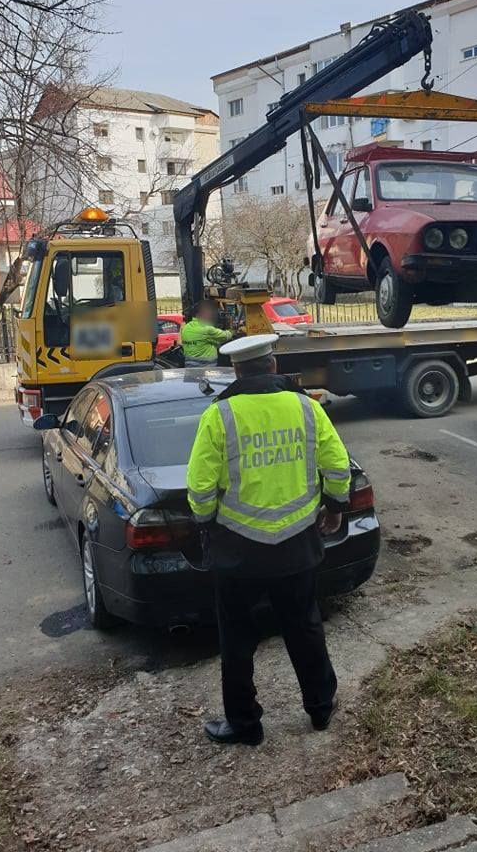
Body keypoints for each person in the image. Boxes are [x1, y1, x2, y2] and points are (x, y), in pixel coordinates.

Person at [186, 333, 351, 746]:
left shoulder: (219, 416)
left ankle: (245, 725)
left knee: (237, 641)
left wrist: (206, 526)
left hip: (238, 548)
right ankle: (320, 709)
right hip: (297, 543)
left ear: (237, 371)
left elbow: (201, 488)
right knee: (305, 629)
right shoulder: (307, 408)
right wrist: (333, 508)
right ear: (273, 366)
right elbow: (336, 465)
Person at [181, 299, 233, 367]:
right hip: (206, 367)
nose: (211, 315)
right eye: (208, 312)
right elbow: (226, 336)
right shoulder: (207, 329)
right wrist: (233, 330)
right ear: (200, 314)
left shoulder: (187, 327)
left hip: (189, 366)